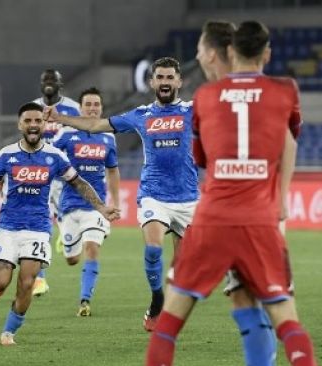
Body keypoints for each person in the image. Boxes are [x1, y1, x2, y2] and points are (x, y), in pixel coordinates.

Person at [146, 21, 317, 366]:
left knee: (168, 325)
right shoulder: (286, 90)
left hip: (212, 219)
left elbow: (202, 159)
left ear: (228, 52)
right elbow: (289, 140)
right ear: (266, 53)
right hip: (261, 219)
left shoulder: (205, 98)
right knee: (286, 319)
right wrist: (280, 196)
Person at [45, 56, 199, 332]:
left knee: (182, 269)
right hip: (154, 194)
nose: (164, 82)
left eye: (169, 77)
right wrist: (59, 118)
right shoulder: (141, 115)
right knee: (153, 249)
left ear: (179, 81)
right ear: (152, 82)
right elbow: (95, 125)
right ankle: (156, 299)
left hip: (188, 197)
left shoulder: (191, 111)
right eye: (159, 77)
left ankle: (169, 304)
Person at [0, 102, 119, 345]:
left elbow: (79, 183)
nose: (33, 125)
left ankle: (9, 331)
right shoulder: (7, 155)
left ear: (44, 124)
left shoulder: (55, 156)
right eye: (28, 121)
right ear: (20, 124)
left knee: (28, 282)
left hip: (38, 228)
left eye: (37, 121)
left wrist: (102, 207)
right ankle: (2, 276)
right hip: (8, 227)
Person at [196, 20, 277, 365]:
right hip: (262, 207)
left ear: (215, 53)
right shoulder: (265, 91)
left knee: (245, 298)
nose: (197, 56)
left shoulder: (218, 97)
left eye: (199, 49)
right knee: (250, 297)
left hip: (240, 211)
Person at [51, 87, 120, 316]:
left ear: (101, 108)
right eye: (88, 104)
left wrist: (116, 202)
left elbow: (112, 171)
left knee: (92, 249)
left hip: (96, 206)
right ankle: (65, 238)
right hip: (69, 204)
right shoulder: (65, 134)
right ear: (80, 108)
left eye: (96, 104)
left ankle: (85, 301)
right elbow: (48, 160)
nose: (92, 108)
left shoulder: (108, 136)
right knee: (72, 259)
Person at [30, 69, 81, 296]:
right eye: (45, 80)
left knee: (66, 222)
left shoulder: (72, 108)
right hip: (38, 175)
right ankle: (39, 279)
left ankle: (65, 231)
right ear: (41, 85)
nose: (49, 83)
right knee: (39, 223)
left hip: (63, 175)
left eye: (53, 79)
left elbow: (80, 137)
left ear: (61, 84)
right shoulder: (32, 108)